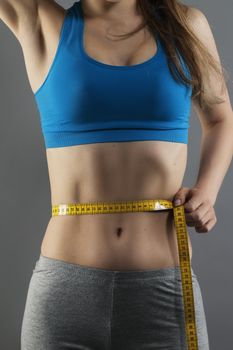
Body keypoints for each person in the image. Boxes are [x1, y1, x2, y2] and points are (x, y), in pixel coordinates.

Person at [1, 0, 232, 349]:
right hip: (64, 299)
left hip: (163, 295)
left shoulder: (185, 26)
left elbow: (220, 118)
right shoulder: (42, 22)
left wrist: (207, 190)